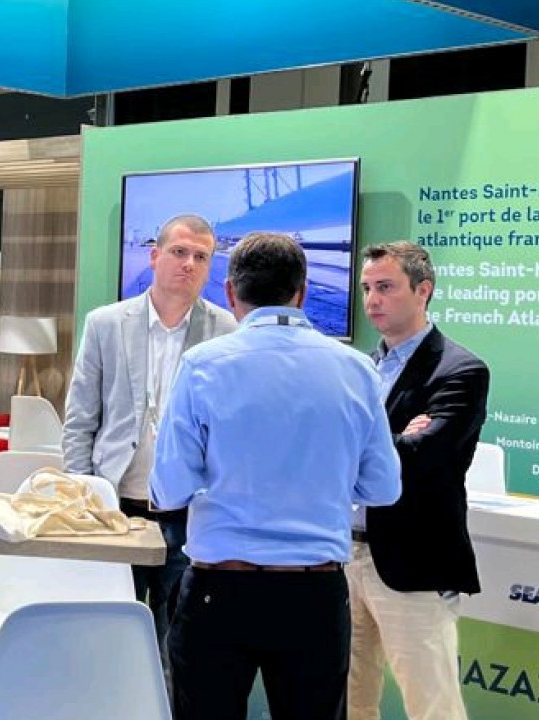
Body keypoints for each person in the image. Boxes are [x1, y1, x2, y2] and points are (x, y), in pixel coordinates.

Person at [151, 232, 402, 720]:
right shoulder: (356, 370)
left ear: (230, 292)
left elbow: (170, 490)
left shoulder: (202, 365)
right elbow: (383, 488)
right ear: (301, 293)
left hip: (219, 589)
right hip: (315, 594)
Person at [62, 214, 236, 645]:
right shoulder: (106, 324)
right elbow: (80, 418)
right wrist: (84, 495)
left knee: (181, 641)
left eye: (201, 257)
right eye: (179, 252)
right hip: (115, 507)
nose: (189, 264)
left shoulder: (225, 332)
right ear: (155, 256)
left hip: (189, 513)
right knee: (108, 633)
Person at [348, 241, 489, 720]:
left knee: (432, 705)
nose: (372, 300)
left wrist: (363, 445)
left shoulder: (460, 370)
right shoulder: (358, 368)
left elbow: (421, 456)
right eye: (367, 288)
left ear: (422, 290)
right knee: (348, 700)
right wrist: (391, 439)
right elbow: (345, 447)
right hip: (345, 553)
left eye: (386, 287)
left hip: (414, 561)